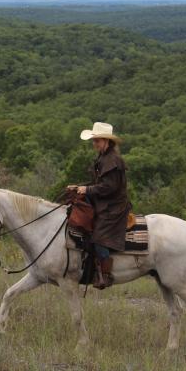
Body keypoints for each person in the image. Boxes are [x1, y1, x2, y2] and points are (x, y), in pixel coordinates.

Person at [67, 122, 131, 289]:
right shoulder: (103, 158)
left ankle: (105, 275)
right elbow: (98, 183)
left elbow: (109, 187)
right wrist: (79, 187)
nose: (94, 143)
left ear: (107, 141)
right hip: (104, 202)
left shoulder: (113, 160)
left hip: (114, 207)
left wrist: (86, 189)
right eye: (94, 140)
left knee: (99, 237)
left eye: (97, 140)